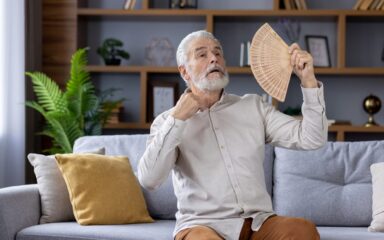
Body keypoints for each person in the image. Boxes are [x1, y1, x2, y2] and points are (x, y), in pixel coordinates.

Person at [138, 30, 327, 240]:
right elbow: (149, 179)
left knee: (302, 231)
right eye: (202, 55)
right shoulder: (167, 122)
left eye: (218, 53)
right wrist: (178, 119)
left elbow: (312, 138)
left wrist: (308, 80)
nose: (214, 58)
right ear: (184, 72)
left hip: (258, 223)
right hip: (202, 226)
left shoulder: (253, 106)